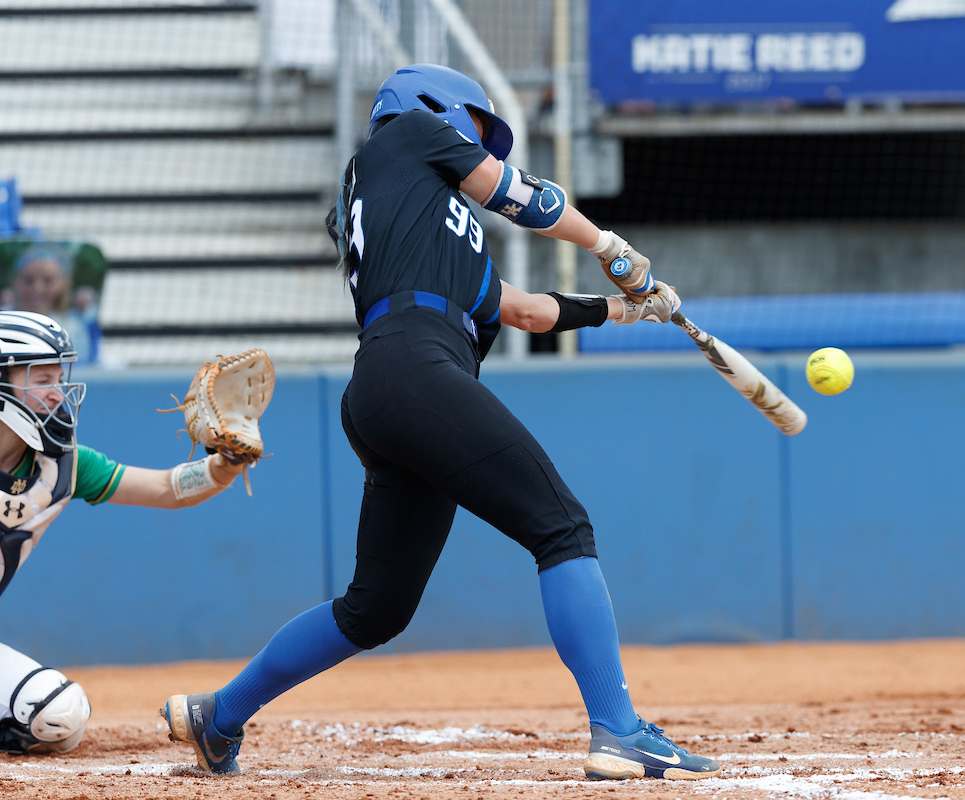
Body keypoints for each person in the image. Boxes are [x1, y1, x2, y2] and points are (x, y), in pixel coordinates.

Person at [161, 63, 719, 782]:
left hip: (389, 390)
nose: (484, 148)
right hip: (417, 371)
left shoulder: (429, 221)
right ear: (435, 109)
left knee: (376, 609)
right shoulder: (407, 136)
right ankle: (617, 728)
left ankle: (220, 715)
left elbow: (523, 311)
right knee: (561, 527)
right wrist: (607, 246)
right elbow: (522, 197)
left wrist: (630, 309)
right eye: (479, 131)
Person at [0, 311, 250, 755]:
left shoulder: (63, 466)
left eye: (60, 376)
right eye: (42, 378)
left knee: (59, 717)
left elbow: (167, 488)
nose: (58, 393)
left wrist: (225, 464)